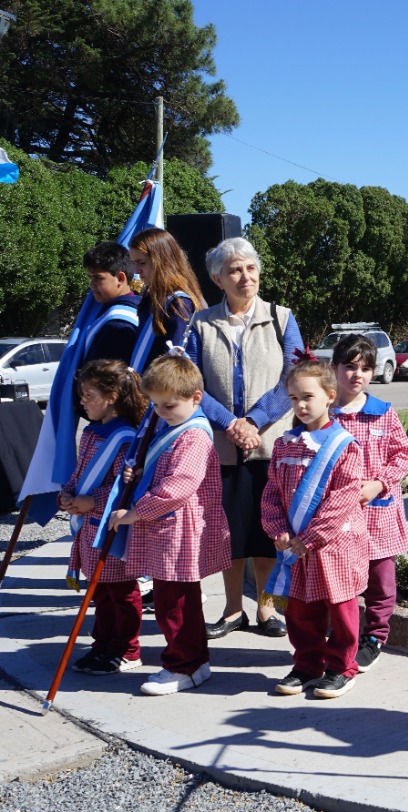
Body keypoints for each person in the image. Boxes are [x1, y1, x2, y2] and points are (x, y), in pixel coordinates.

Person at [188, 237, 304, 640]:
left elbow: (294, 377)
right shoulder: (200, 323)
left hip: (272, 446)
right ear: (218, 278)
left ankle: (266, 609)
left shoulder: (282, 318)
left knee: (267, 530)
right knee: (229, 531)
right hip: (223, 449)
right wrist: (231, 424)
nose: (245, 277)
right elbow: (192, 385)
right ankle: (233, 608)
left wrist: (253, 421)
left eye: (251, 268)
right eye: (235, 270)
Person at [107, 355, 231, 696]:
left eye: (168, 405)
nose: (161, 412)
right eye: (157, 405)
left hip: (177, 529)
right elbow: (163, 470)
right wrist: (139, 471)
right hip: (168, 528)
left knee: (172, 602)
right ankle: (195, 662)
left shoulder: (193, 436)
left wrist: (133, 514)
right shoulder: (173, 426)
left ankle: (182, 665)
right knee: (180, 599)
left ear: (195, 397)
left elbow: (177, 487)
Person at [261, 360, 368, 699]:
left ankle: (341, 668)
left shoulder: (344, 446)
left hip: (333, 547)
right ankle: (307, 664)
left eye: (308, 397)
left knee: (341, 611)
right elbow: (272, 493)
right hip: (296, 548)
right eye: (293, 398)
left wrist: (310, 538)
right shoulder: (284, 444)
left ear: (330, 396)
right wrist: (276, 527)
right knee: (300, 611)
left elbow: (341, 500)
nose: (301, 405)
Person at [330, 334, 408, 672]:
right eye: (349, 367)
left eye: (365, 368)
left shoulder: (383, 413)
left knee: (381, 580)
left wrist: (379, 484)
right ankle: (339, 637)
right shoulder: (324, 413)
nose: (357, 374)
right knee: (339, 579)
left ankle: (376, 635)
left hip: (378, 516)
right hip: (336, 520)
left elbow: (403, 456)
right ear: (334, 369)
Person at [61, 360, 148, 675]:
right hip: (88, 528)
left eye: (89, 395)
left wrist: (90, 501)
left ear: (111, 396)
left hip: (110, 527)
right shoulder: (92, 432)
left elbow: (123, 485)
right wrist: (69, 494)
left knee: (121, 591)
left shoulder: (125, 437)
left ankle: (127, 648)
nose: (83, 401)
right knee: (100, 591)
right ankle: (103, 645)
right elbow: (80, 471)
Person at [126, 228, 206, 371]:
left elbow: (175, 360)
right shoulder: (150, 298)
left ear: (162, 261)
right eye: (134, 263)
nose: (137, 270)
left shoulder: (179, 303)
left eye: (142, 263)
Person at [80, 243, 141, 367]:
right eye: (90, 277)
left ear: (120, 278)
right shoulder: (138, 309)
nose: (91, 284)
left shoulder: (117, 325)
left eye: (98, 277)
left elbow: (107, 380)